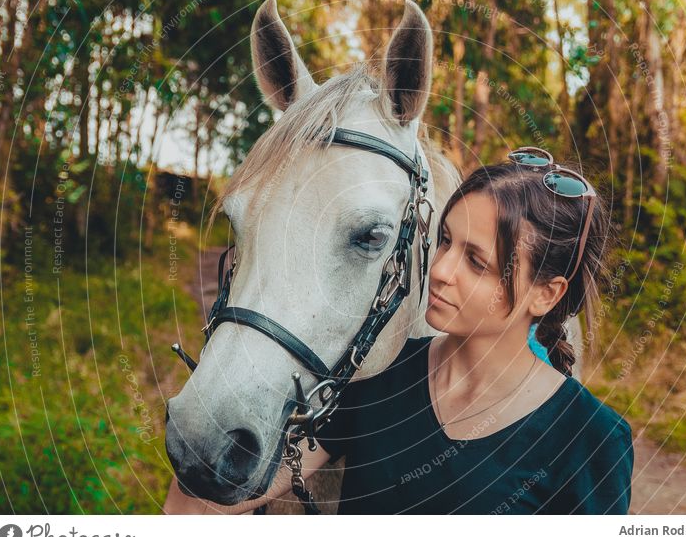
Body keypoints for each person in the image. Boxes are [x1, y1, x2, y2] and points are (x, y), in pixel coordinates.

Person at [163, 147, 633, 515]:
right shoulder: (379, 375)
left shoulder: (591, 441)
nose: (441, 269)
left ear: (545, 294)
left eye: (476, 261)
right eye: (444, 240)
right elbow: (220, 495)